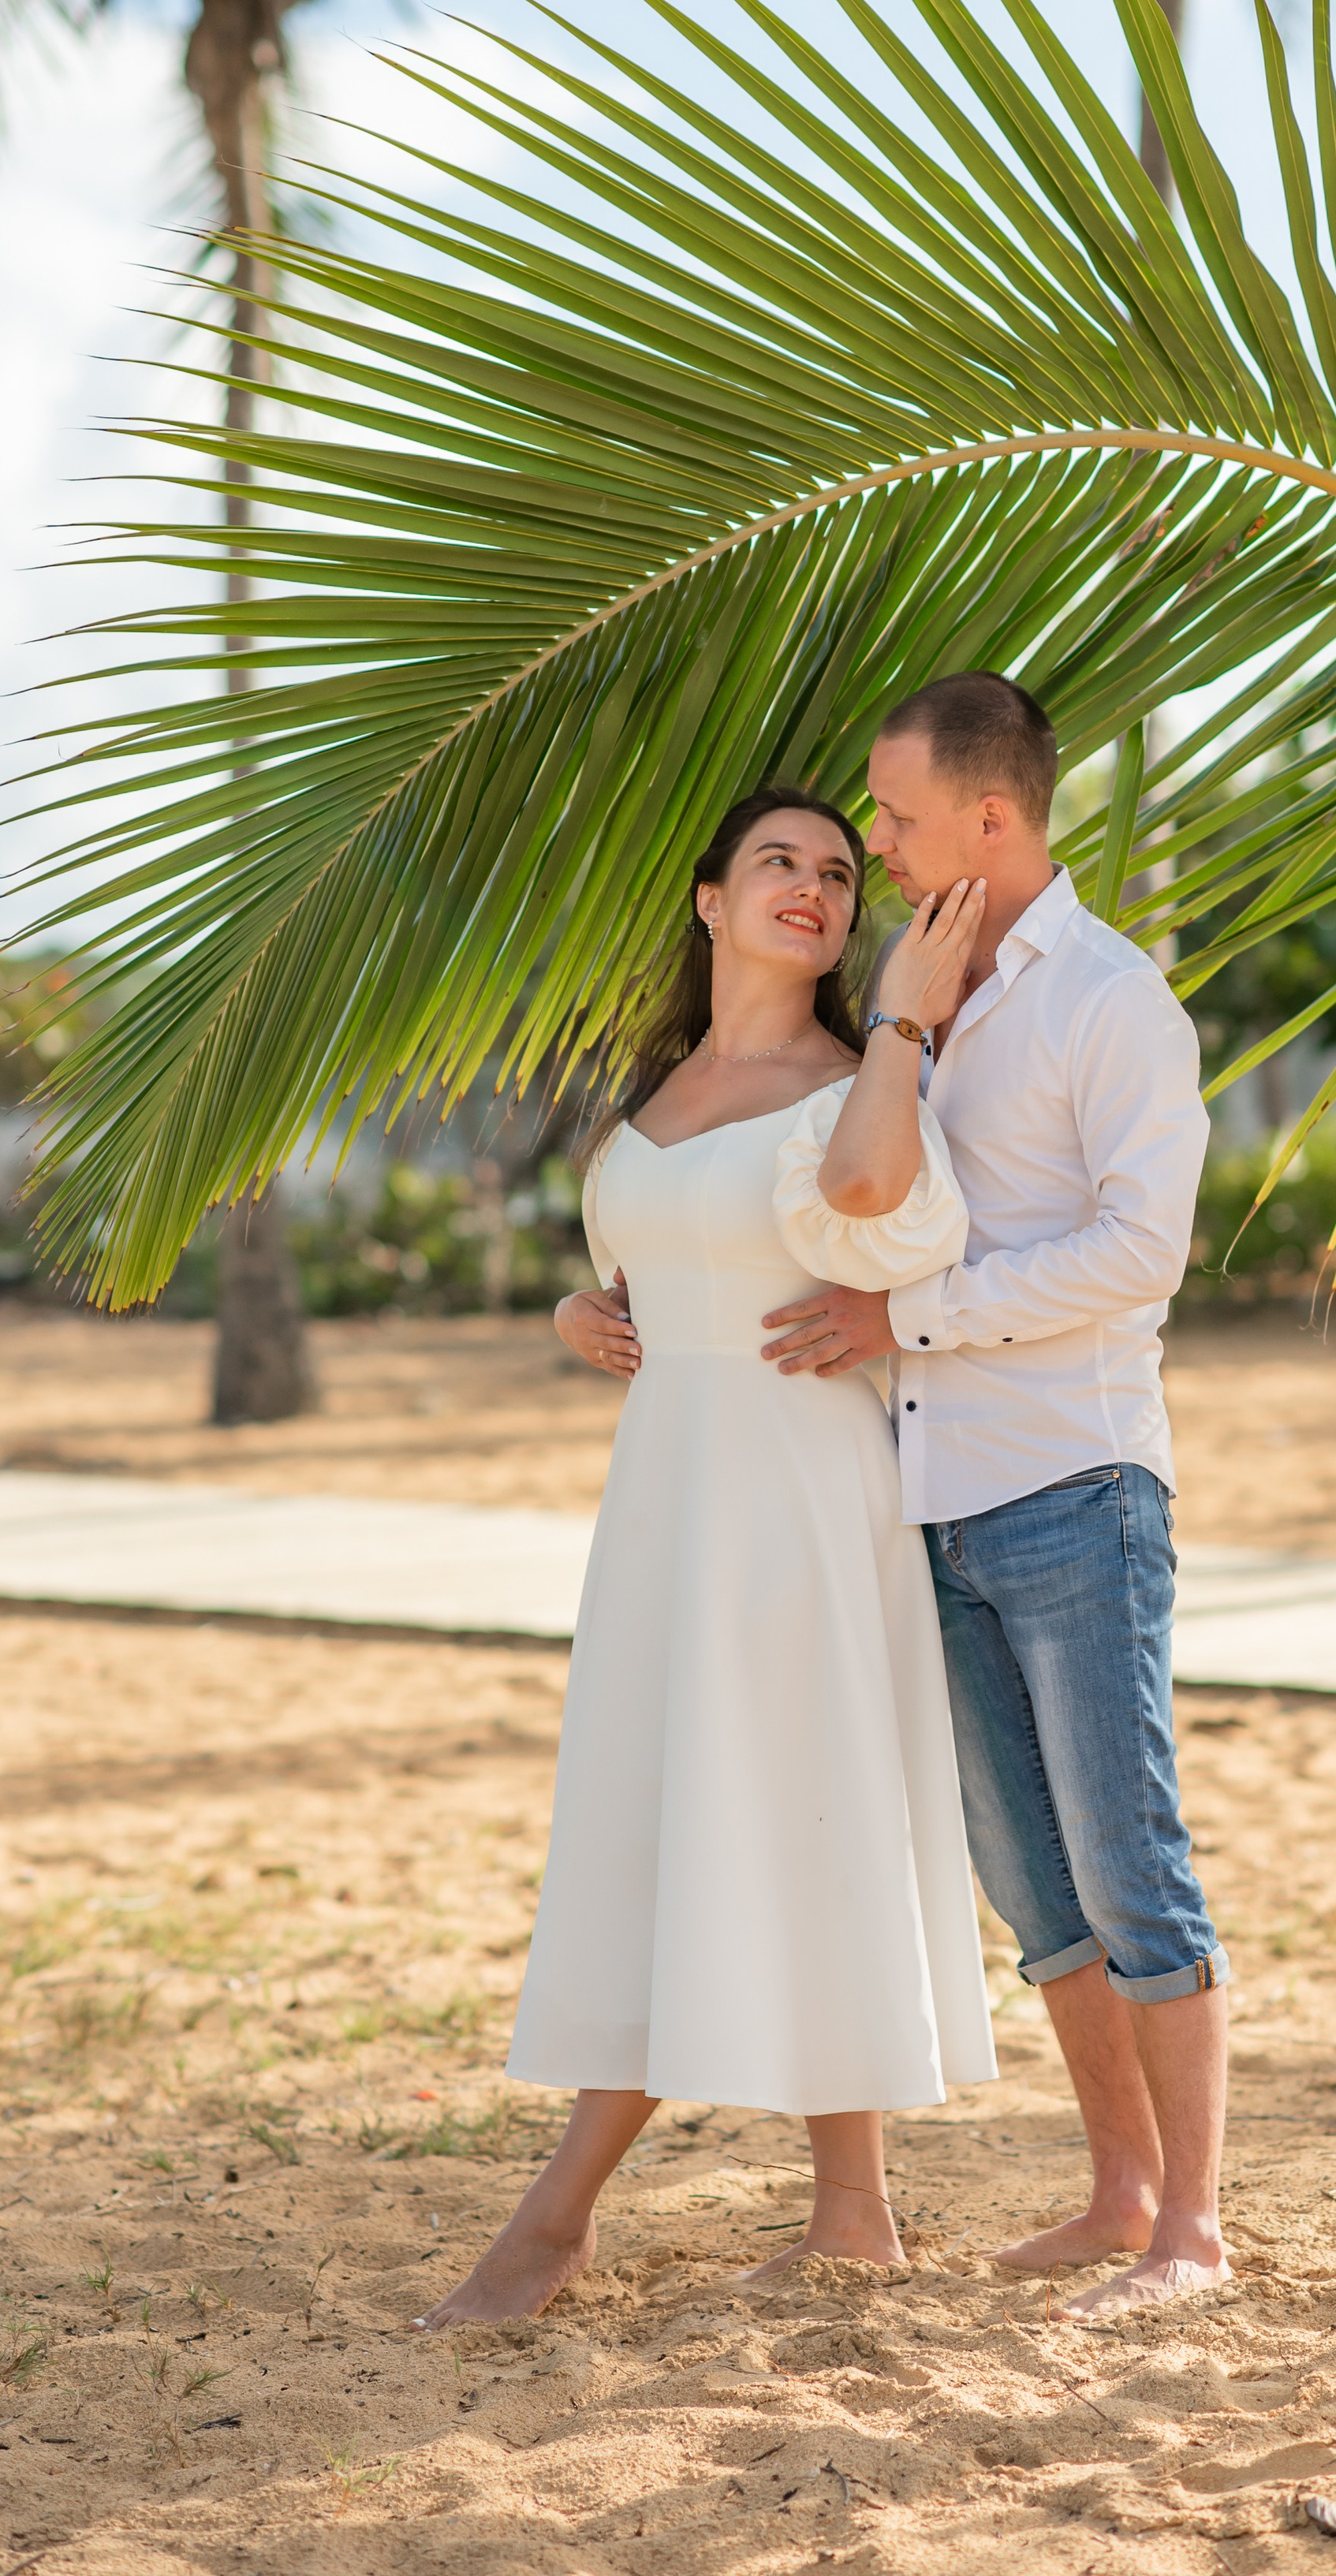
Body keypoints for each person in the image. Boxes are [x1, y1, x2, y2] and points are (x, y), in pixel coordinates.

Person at [413, 786, 997, 2331]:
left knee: (752, 1817)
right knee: (719, 1813)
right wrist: (570, 1315)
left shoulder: (848, 1083)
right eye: (775, 865)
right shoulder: (656, 1090)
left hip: (799, 1505)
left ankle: (553, 2218)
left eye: (832, 871)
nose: (809, 887)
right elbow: (637, 1259)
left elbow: (879, 1208)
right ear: (707, 898)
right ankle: (853, 2211)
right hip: (668, 1506)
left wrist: (905, 1023)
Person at [759, 675, 1230, 2318]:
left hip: (1075, 1485)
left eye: (887, 817)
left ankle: (1193, 2229)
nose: (869, 844)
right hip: (932, 1497)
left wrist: (913, 1323)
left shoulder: (1108, 1000)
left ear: (990, 815)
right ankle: (1117, 2194)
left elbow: (1136, 1252)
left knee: (1126, 1862)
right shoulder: (920, 994)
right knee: (1035, 1887)